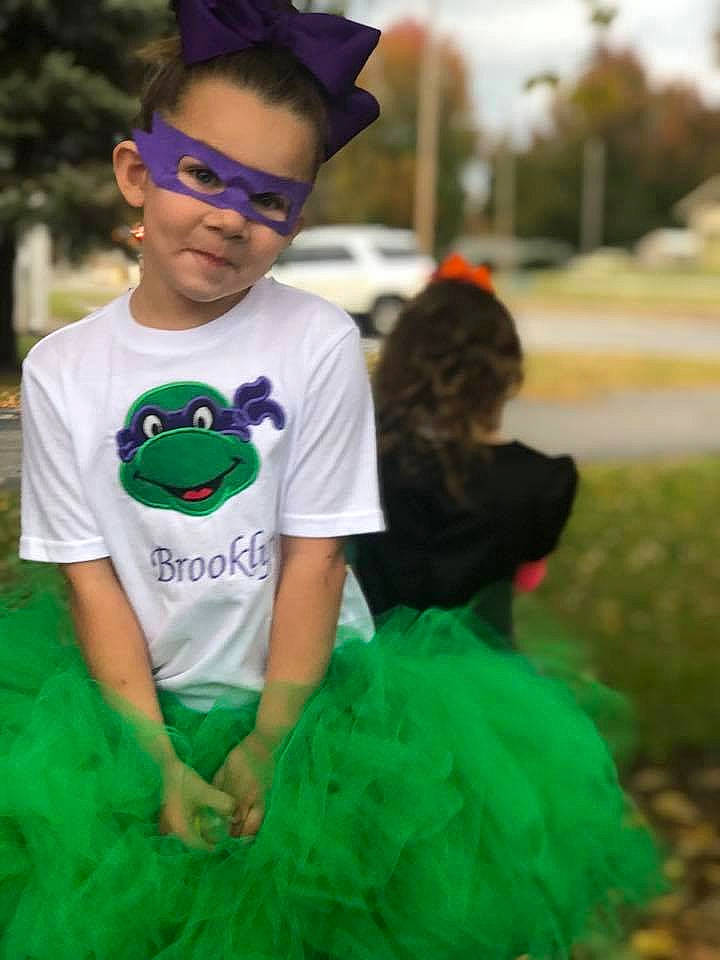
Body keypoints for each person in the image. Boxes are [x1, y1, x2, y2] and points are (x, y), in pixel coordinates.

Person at [1, 4, 660, 958]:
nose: (231, 216)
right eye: (202, 173)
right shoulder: (63, 371)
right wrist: (149, 757)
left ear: (297, 219)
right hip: (128, 710)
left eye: (270, 198)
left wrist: (273, 738)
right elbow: (91, 576)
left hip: (310, 710)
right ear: (135, 173)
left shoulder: (314, 342)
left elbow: (315, 558)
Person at [354, 253, 578, 642]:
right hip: (483, 679)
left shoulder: (364, 463)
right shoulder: (543, 482)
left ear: (399, 363)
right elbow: (525, 578)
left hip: (373, 670)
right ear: (505, 371)